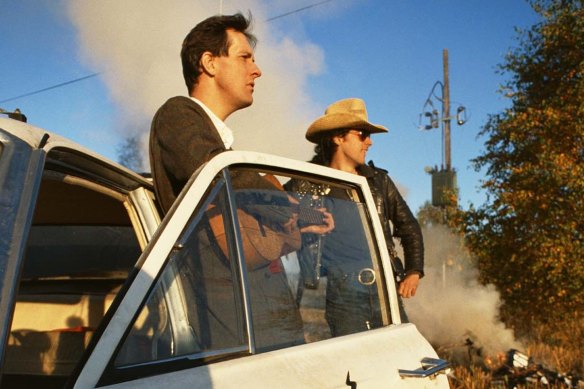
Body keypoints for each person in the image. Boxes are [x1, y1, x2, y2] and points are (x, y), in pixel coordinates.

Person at [148, 13, 332, 351]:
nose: (256, 70)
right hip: (229, 322)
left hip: (256, 315)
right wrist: (299, 210)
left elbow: (241, 196)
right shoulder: (178, 114)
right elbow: (221, 173)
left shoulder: (219, 144)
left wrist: (304, 219)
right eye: (245, 57)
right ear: (209, 63)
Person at [299, 97, 424, 331]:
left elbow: (409, 226)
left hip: (384, 288)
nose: (369, 142)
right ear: (338, 137)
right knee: (352, 363)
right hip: (338, 292)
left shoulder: (379, 181)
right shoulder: (308, 183)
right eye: (362, 134)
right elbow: (281, 209)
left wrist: (414, 271)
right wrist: (313, 218)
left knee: (398, 358)